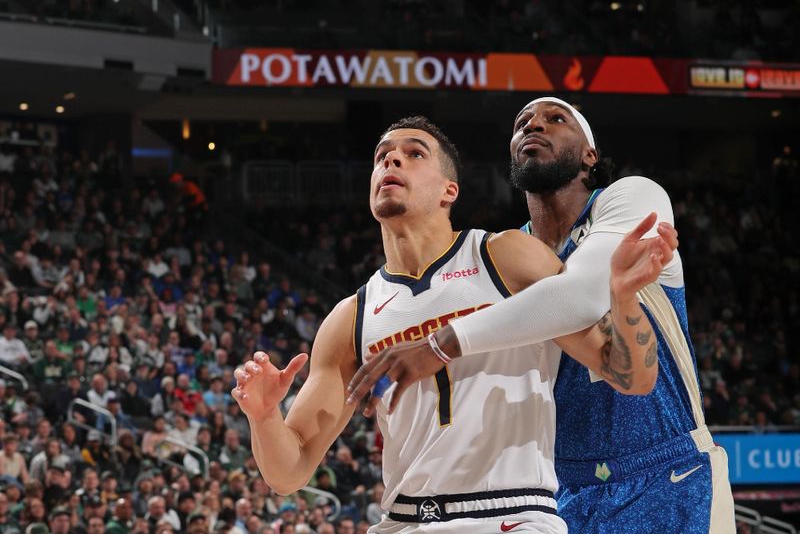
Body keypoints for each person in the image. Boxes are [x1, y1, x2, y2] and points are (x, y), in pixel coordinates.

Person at [233, 116, 675, 533]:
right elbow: (289, 472)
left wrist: (622, 297)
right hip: (403, 519)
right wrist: (265, 417)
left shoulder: (505, 257)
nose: (391, 159)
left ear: (449, 191)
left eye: (414, 153)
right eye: (382, 155)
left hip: (510, 515)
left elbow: (631, 374)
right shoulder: (351, 317)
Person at [347, 100, 734, 533]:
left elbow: (581, 296)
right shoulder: (510, 256)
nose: (535, 125)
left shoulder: (631, 197)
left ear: (590, 153)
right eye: (522, 123)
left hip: (666, 472)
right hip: (562, 492)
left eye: (556, 119)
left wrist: (439, 344)